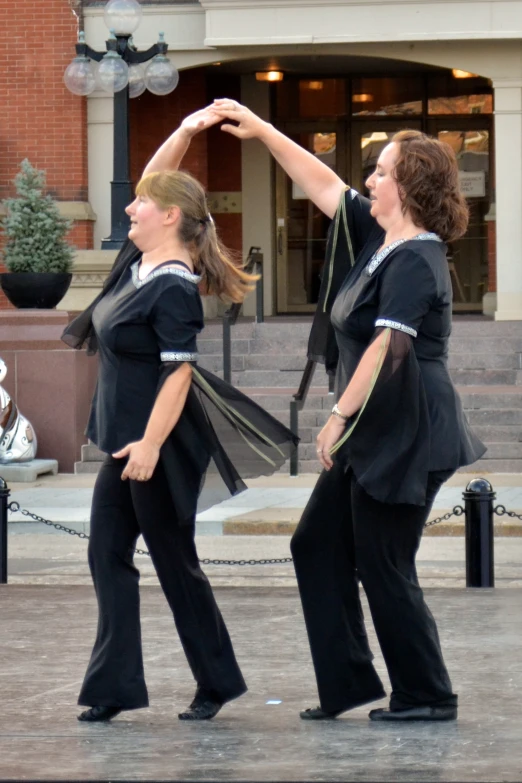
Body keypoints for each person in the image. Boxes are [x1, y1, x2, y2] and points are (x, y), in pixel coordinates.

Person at [212, 99, 485, 722]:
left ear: (409, 185)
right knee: (316, 544)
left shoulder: (419, 255)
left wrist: (337, 414)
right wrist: (262, 131)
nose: (369, 180)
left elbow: (389, 344)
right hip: (376, 423)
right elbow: (323, 184)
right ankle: (349, 685)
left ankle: (428, 694)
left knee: (383, 562)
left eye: (382, 172)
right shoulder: (379, 238)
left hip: (407, 425)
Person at [62, 107, 297, 723]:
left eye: (142, 206)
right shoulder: (136, 265)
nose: (129, 209)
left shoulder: (172, 285)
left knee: (174, 565)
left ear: (170, 218)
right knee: (107, 556)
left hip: (157, 448)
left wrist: (146, 447)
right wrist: (189, 130)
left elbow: (179, 374)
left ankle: (215, 681)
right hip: (125, 442)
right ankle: (113, 688)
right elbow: (153, 177)